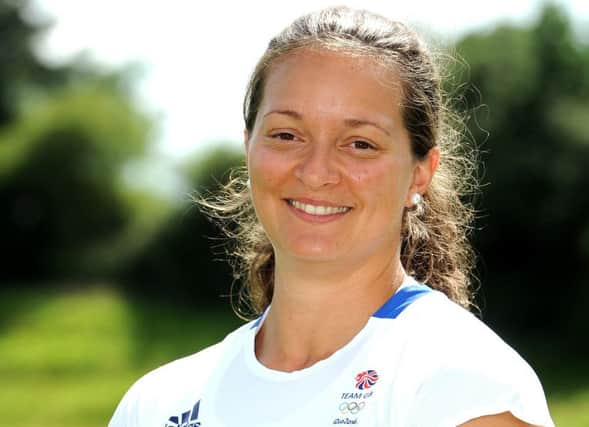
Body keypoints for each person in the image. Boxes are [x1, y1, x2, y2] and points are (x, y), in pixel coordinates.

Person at [109, 6, 555, 427]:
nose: (316, 172)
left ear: (420, 173)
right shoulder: (157, 403)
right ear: (249, 149)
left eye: (360, 143)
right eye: (287, 135)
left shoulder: (466, 388)